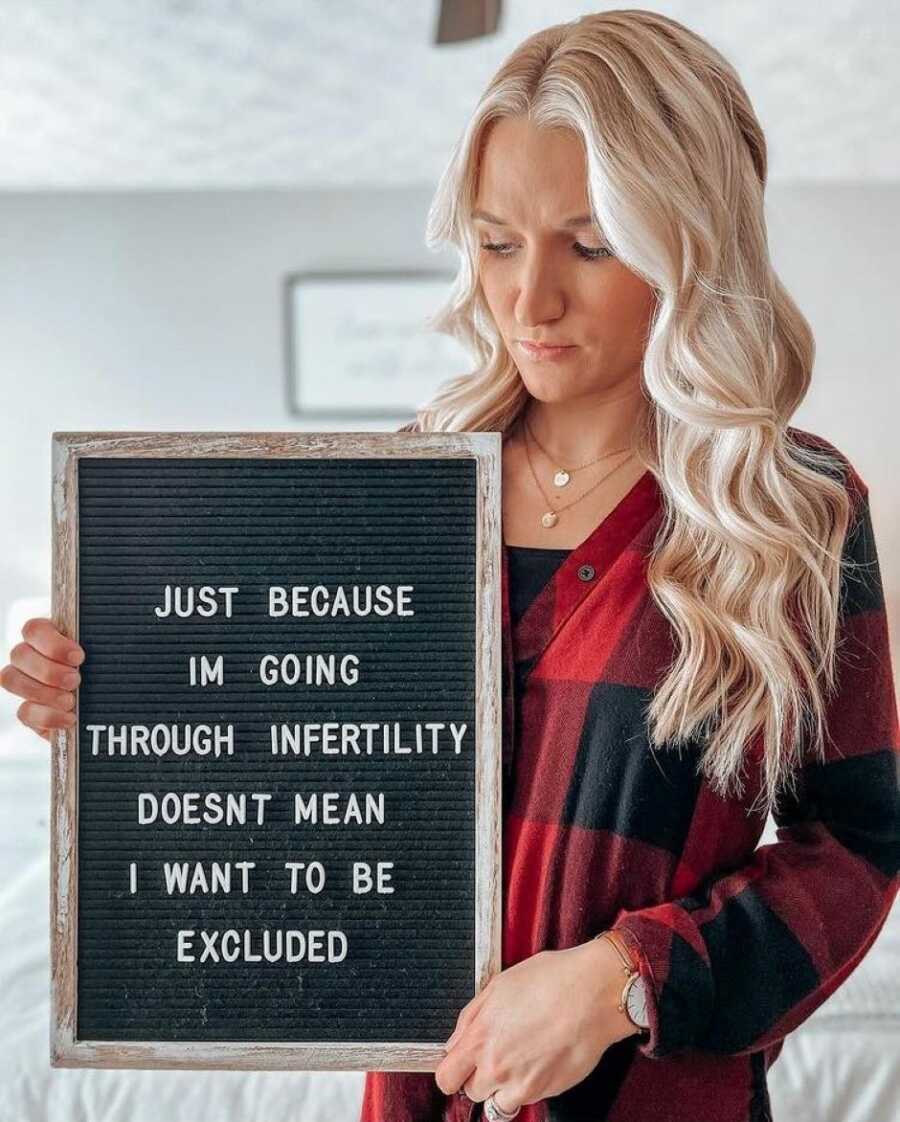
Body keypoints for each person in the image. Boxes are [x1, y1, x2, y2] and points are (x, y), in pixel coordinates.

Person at [2, 10, 897, 1122]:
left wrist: (621, 981)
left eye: (592, 242)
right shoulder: (402, 495)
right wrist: (129, 713)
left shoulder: (790, 507)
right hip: (421, 1098)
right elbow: (321, 769)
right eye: (497, 240)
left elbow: (855, 844)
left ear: (688, 239)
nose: (530, 302)